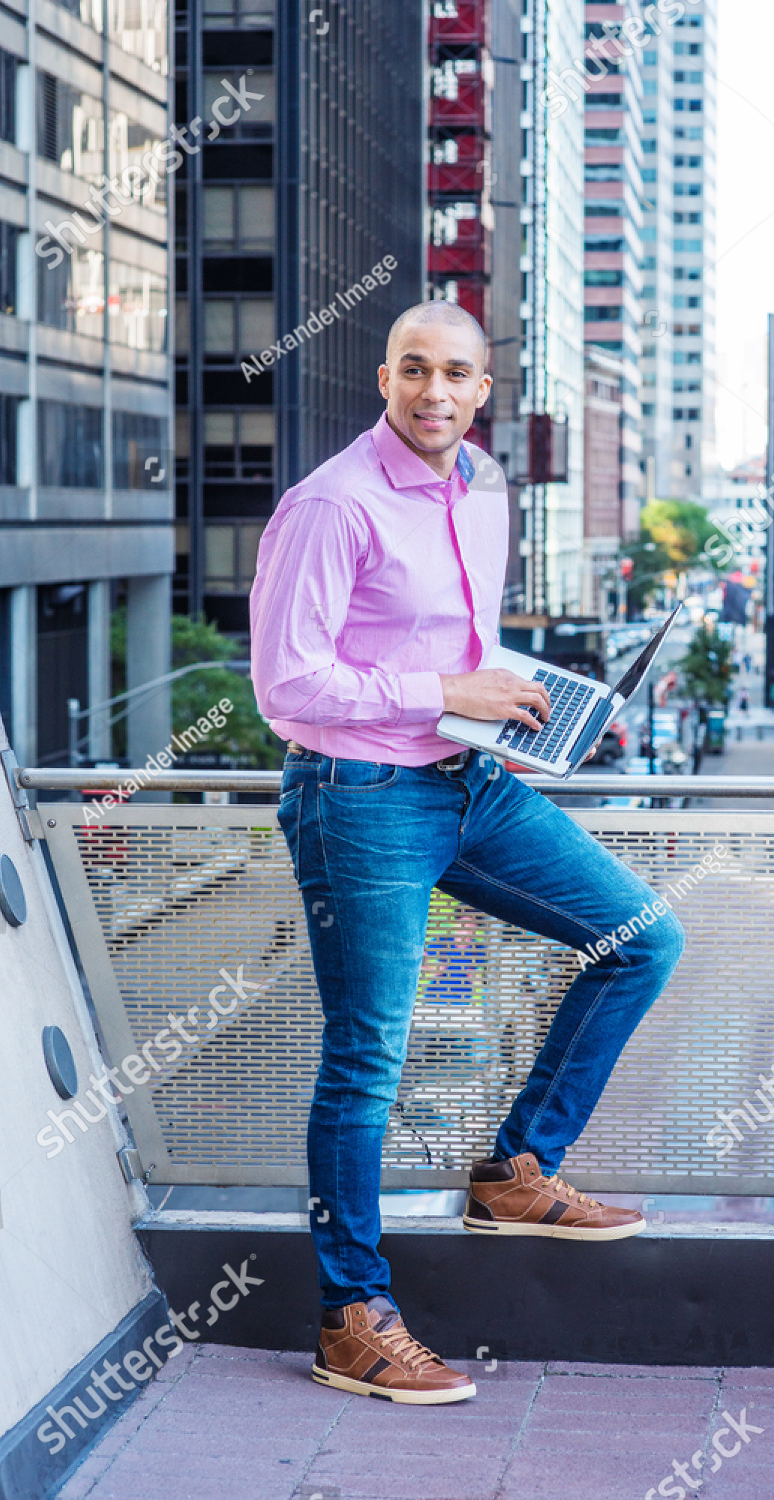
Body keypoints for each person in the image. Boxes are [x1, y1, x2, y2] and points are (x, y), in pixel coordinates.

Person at [249, 302, 685, 1405]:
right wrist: (446, 694)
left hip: (468, 776)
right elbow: (286, 686)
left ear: (483, 387)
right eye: (412, 371)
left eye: (455, 374)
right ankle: (351, 1317)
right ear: (383, 376)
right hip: (358, 797)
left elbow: (455, 642)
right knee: (367, 1061)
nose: (432, 392)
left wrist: (515, 714)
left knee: (641, 936)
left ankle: (514, 1169)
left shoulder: (481, 485)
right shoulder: (328, 506)